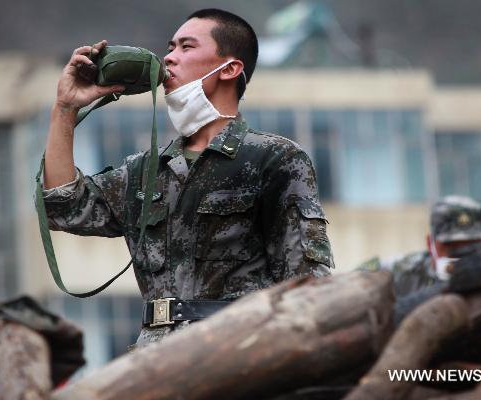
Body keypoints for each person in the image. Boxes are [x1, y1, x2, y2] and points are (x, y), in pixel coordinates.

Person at [40, 9, 334, 348]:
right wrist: (65, 109)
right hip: (153, 359)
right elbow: (64, 207)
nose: (169, 57)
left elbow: (308, 283)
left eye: (186, 47)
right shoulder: (146, 170)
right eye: (170, 47)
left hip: (237, 350)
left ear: (230, 68)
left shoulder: (273, 158)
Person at [367, 195, 481, 297]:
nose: (462, 256)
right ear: (430, 245)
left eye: (473, 248)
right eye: (452, 248)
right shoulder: (404, 272)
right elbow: (355, 283)